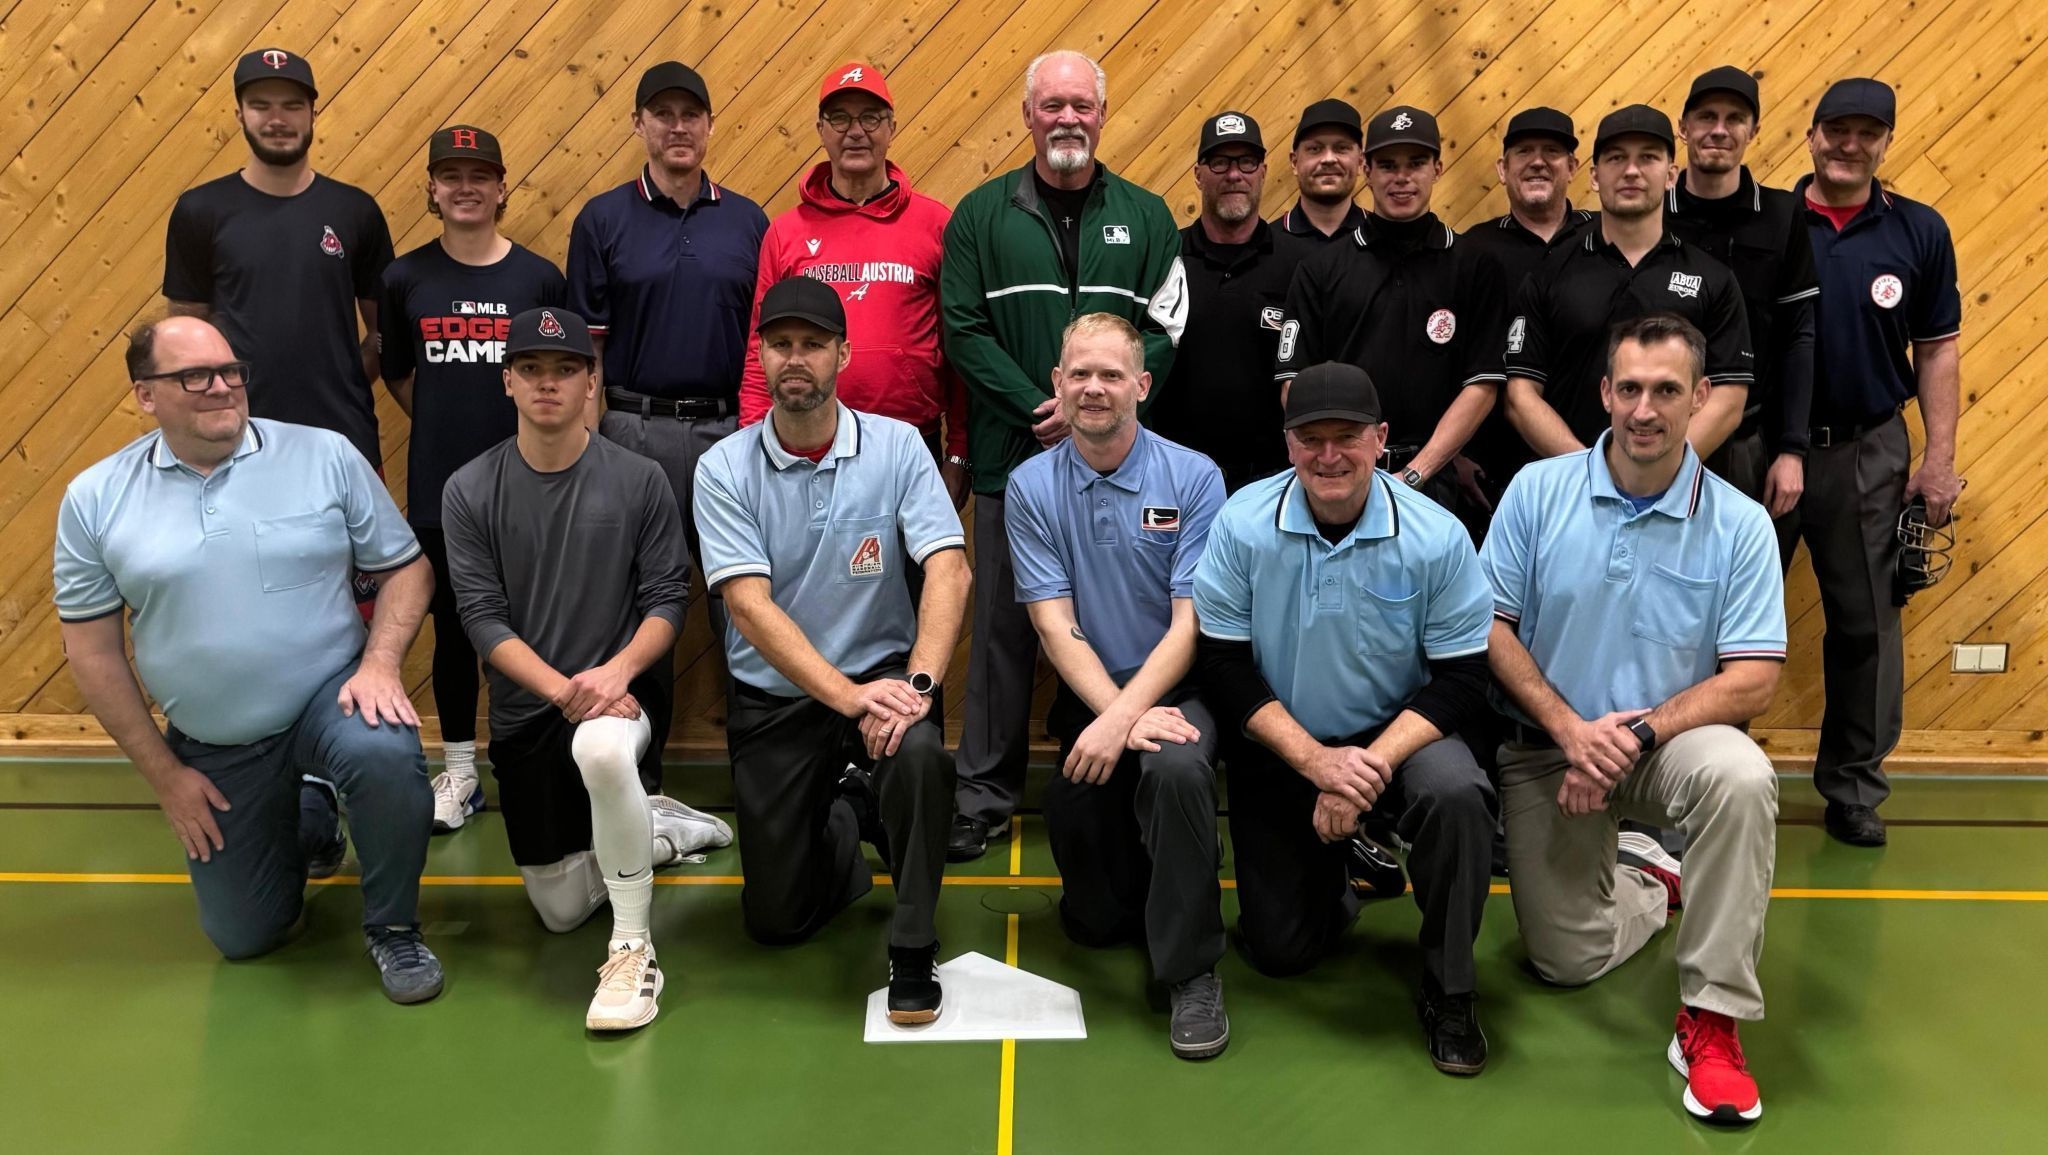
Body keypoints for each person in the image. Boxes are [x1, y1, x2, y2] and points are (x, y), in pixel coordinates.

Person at [54, 316, 442, 1003]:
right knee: (246, 934)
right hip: (217, 735)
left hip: (332, 697)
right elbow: (92, 652)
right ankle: (310, 813)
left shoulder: (325, 455)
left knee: (384, 751)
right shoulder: (95, 498)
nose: (221, 387)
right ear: (146, 394)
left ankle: (393, 928)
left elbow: (406, 568)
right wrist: (168, 777)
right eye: (193, 376)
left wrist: (380, 662)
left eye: (230, 370)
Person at [1480, 314, 1784, 1125]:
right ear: (1605, 392)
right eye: (1631, 389)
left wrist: (1635, 736)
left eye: (1667, 391)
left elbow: (1754, 677)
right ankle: (1653, 877)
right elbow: (1487, 626)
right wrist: (1572, 732)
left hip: (1664, 748)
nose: (1645, 409)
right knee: (1565, 960)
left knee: (1742, 774)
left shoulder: (1741, 524)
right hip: (1551, 746)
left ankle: (1713, 1022)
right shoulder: (1537, 492)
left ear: (1701, 399)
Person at [1193, 362, 1498, 1076]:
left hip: (1398, 738)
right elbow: (1224, 667)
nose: (1329, 455)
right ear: (1289, 443)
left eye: (1348, 437)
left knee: (1458, 794)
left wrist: (1362, 771)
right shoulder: (1242, 524)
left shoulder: (1436, 535)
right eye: (1311, 438)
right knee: (1278, 953)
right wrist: (1316, 764)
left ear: (1382, 439)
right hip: (1285, 742)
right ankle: (1338, 870)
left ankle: (1450, 986)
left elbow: (1462, 677)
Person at [440, 306, 732, 1032]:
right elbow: (482, 619)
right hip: (530, 711)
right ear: (507, 381)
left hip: (624, 702)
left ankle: (634, 950)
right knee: (560, 909)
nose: (549, 384)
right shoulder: (469, 489)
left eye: (566, 369)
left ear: (592, 383)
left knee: (601, 748)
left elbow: (668, 598)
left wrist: (616, 673)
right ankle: (656, 832)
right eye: (532, 370)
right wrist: (566, 689)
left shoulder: (640, 480)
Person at [695, 276, 970, 1024]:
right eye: (780, 344)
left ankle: (913, 942)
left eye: (813, 344)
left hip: (884, 685)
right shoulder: (722, 468)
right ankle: (849, 814)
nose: (796, 358)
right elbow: (749, 606)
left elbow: (949, 566)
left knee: (917, 757)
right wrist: (846, 697)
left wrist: (915, 685)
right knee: (777, 921)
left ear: (843, 353)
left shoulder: (899, 446)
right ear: (761, 355)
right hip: (779, 699)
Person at [940, 49, 1188, 862]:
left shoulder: (1149, 217)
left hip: (1126, 469)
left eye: (1081, 105)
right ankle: (982, 792)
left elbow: (1168, 329)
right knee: (1006, 634)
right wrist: (1037, 406)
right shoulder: (980, 215)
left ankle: (1155, 764)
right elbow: (961, 328)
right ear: (1027, 116)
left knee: (1130, 622)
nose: (1068, 119)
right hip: (1017, 463)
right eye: (1052, 106)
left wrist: (1102, 409)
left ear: (1103, 115)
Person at [164, 47, 398, 870]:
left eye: (290, 103)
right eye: (260, 103)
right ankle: (285, 792)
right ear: (239, 112)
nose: (277, 117)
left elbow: (381, 331)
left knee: (347, 611)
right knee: (256, 610)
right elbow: (184, 340)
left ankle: (348, 773)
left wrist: (334, 386)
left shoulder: (355, 212)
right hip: (233, 457)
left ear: (311, 111)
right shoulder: (201, 213)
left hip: (343, 447)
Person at [1007, 313, 1230, 1059]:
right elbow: (1055, 624)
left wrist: (1129, 720)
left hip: (1180, 682)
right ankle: (1152, 882)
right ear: (1057, 386)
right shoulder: (1030, 484)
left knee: (1175, 769)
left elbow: (1189, 624)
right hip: (1092, 689)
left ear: (1142, 384)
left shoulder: (1194, 476)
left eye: (1110, 375)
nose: (1094, 388)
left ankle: (1192, 970)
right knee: (1095, 920)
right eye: (1079, 374)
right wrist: (1116, 718)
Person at [568, 60, 768, 784]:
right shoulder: (602, 219)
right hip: (631, 430)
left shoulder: (749, 222)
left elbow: (762, 345)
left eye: (691, 114)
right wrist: (590, 447)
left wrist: (758, 438)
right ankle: (638, 785)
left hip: (728, 434)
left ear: (710, 126)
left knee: (741, 603)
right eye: (663, 114)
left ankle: (763, 777)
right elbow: (586, 349)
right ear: (639, 125)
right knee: (636, 609)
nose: (678, 126)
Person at [1788, 78, 1964, 847]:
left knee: (1866, 626)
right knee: (1715, 620)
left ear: (1886, 142)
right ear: (1812, 135)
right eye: (1836, 130)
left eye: (1867, 132)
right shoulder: (1772, 221)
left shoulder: (1918, 230)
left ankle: (1852, 787)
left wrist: (1939, 459)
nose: (1849, 145)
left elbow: (1938, 348)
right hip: (1765, 448)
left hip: (1868, 447)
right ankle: (1698, 778)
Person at [378, 125, 567, 831]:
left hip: (532, 486)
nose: (465, 187)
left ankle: (544, 755)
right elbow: (400, 374)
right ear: (432, 187)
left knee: (538, 624)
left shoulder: (539, 278)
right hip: (440, 488)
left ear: (501, 186)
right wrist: (445, 423)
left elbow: (564, 375)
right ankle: (459, 771)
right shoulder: (404, 277)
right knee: (456, 632)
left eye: (479, 175)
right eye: (450, 175)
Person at [739, 62, 969, 509]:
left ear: (891, 127)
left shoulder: (935, 224)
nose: (856, 131)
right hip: (804, 444)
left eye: (870, 117)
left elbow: (959, 348)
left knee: (914, 577)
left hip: (910, 443)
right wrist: (752, 442)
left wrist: (959, 452)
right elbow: (757, 347)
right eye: (841, 118)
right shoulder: (786, 233)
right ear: (822, 130)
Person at [1273, 105, 1508, 538]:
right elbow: (1295, 386)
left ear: (1438, 168)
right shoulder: (1321, 269)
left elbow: (1482, 385)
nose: (1402, 178)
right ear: (1366, 169)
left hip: (1435, 485)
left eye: (1416, 163)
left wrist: (1415, 475)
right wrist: (1346, 462)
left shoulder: (1474, 266)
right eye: (1387, 165)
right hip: (1340, 476)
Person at [1502, 105, 1754, 460]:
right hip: (1572, 491)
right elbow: (1520, 396)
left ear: (1670, 175)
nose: (1631, 171)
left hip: (1678, 498)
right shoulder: (1549, 274)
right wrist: (1589, 473)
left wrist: (1660, 472)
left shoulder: (1713, 279)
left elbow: (1728, 398)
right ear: (1593, 176)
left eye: (1647, 158)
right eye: (1617, 158)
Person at [1668, 66, 1819, 531]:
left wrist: (1792, 450)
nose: (1719, 129)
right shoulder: (1654, 216)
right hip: (1661, 433)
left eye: (1734, 119)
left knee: (1741, 591)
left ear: (1753, 131)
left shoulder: (1782, 215)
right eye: (1706, 116)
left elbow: (1799, 335)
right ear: (1684, 127)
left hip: (1750, 442)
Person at [1149, 112, 1302, 490]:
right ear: (1199, 173)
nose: (1234, 174)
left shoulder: (1300, 264)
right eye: (1220, 161)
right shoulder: (1165, 259)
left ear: (1263, 170)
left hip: (1272, 480)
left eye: (1246, 161)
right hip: (1174, 478)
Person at [1458, 107, 1597, 512]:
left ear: (1572, 167)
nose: (1538, 161)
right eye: (1523, 152)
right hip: (1492, 475)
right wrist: (1455, 458)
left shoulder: (1604, 238)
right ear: (1503, 169)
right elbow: (1444, 362)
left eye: (1552, 151)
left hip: (1595, 460)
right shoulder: (1471, 250)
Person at [1273, 99, 1368, 252]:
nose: (1328, 159)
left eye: (1342, 148)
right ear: (1294, 162)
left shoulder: (1386, 240)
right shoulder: (1267, 246)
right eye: (1315, 149)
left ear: (1360, 162)